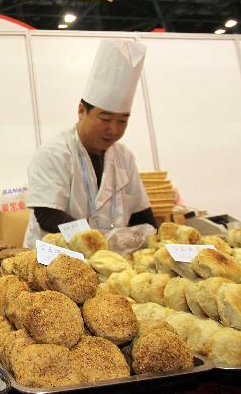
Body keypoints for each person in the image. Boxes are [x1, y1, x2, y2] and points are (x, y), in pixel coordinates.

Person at [23, 39, 156, 247]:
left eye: (122, 121)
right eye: (105, 119)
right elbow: (47, 214)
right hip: (55, 258)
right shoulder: (55, 153)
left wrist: (153, 240)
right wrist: (100, 240)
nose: (113, 129)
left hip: (108, 260)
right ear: (81, 110)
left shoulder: (124, 157)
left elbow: (141, 213)